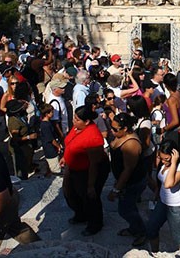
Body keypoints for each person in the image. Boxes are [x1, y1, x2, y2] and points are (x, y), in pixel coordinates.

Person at [62, 105, 110, 236]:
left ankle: (95, 224)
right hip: (74, 167)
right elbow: (71, 143)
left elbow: (94, 164)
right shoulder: (78, 127)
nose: (73, 121)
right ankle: (81, 214)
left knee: (90, 197)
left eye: (77, 119)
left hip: (88, 170)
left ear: (87, 121)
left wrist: (91, 185)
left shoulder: (93, 137)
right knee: (70, 192)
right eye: (74, 118)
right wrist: (65, 157)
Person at [108, 112, 147, 246]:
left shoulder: (131, 144)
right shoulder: (121, 136)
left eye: (115, 129)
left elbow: (128, 169)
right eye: (111, 128)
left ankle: (141, 231)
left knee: (126, 209)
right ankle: (134, 228)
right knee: (128, 207)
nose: (112, 131)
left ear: (125, 129)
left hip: (133, 182)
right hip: (125, 180)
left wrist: (116, 189)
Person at [146, 139, 180, 253]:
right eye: (161, 158)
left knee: (178, 237)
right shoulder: (163, 164)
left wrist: (174, 163)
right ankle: (155, 253)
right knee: (151, 227)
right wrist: (157, 192)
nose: (163, 161)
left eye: (167, 159)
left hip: (177, 207)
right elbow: (161, 181)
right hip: (163, 202)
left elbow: (168, 184)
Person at [6, 99, 37, 180]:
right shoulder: (14, 121)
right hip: (18, 148)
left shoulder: (19, 116)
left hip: (24, 146)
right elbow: (15, 138)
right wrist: (29, 137)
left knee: (25, 166)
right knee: (20, 170)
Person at [38, 103, 62, 175]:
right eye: (51, 112)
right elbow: (51, 139)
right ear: (46, 114)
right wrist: (58, 146)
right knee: (55, 169)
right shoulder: (45, 125)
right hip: (50, 149)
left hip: (51, 148)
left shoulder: (48, 122)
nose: (53, 113)